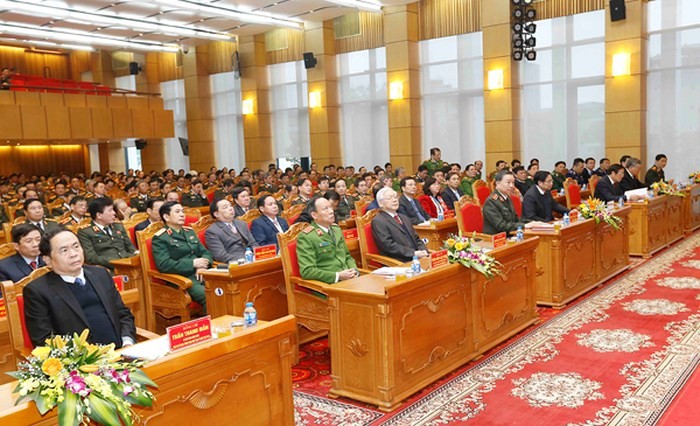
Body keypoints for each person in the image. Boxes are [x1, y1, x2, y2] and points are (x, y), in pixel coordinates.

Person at [23, 228, 136, 348]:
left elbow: (123, 314)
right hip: (82, 361)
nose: (73, 254)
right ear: (48, 260)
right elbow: (44, 339)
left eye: (76, 246)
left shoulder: (101, 274)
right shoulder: (37, 291)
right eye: (64, 250)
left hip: (121, 351)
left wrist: (127, 341)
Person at [152, 202, 213, 311]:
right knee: (209, 296)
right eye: (177, 212)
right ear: (166, 217)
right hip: (183, 280)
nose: (182, 215)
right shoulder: (161, 238)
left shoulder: (189, 232)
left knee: (223, 289)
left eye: (182, 211)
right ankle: (212, 326)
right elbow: (164, 264)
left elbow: (206, 253)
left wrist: (202, 266)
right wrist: (193, 264)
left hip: (203, 273)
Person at [297, 197, 358, 284]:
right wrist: (337, 275)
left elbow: (347, 256)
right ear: (314, 215)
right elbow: (307, 271)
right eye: (326, 209)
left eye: (330, 207)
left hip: (349, 279)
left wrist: (353, 270)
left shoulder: (336, 229)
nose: (331, 211)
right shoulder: (307, 237)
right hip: (328, 285)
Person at [371, 188, 428, 262]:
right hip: (399, 260)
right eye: (389, 198)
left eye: (395, 197)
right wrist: (413, 253)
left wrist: (423, 251)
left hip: (417, 257)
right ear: (381, 203)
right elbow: (388, 246)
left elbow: (416, 238)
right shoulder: (378, 221)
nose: (394, 200)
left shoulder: (404, 217)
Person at [205, 198, 259, 263]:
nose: (231, 208)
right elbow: (220, 255)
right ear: (216, 214)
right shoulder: (212, 231)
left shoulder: (242, 224)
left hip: (253, 259)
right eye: (225, 207)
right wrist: (244, 259)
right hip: (236, 263)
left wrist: (258, 254)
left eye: (230, 205)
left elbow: (253, 243)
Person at [482, 170, 529, 235]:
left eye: (513, 183)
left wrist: (532, 223)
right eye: (508, 182)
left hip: (509, 235)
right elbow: (501, 225)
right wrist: (524, 226)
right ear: (497, 183)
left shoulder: (507, 198)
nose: (512, 186)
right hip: (496, 239)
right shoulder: (491, 201)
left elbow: (515, 220)